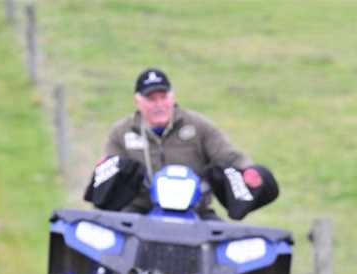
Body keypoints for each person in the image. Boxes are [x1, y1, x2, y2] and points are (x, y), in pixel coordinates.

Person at [99, 67, 263, 218]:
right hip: (140, 211)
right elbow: (110, 169)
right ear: (138, 102)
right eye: (151, 99)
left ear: (173, 97)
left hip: (197, 211)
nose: (159, 105)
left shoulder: (199, 126)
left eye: (163, 97)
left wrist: (249, 171)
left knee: (226, 244)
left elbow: (229, 156)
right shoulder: (121, 132)